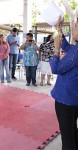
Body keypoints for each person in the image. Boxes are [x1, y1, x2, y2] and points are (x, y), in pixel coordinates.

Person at [49, 16, 78, 150]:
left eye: (76, 26)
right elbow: (67, 46)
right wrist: (59, 29)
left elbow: (56, 69)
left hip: (66, 99)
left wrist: (56, 49)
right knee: (72, 131)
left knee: (67, 137)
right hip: (74, 98)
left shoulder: (77, 52)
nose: (73, 28)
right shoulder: (75, 49)